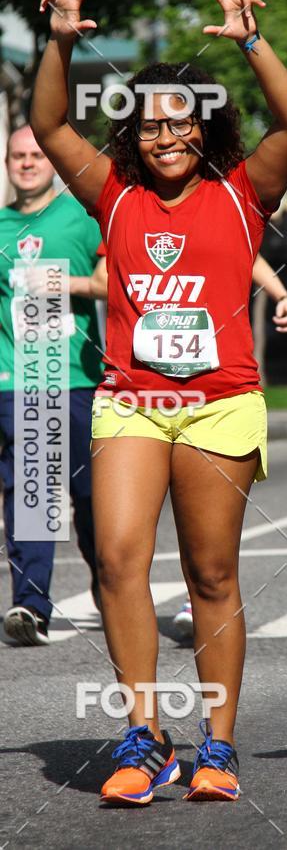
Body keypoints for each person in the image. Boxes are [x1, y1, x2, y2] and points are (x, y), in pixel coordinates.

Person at [33, 0, 287, 804]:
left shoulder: (242, 192)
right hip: (132, 402)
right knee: (117, 560)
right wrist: (58, 46)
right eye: (150, 126)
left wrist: (254, 42)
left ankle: (216, 748)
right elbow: (48, 127)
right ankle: (143, 738)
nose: (165, 138)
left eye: (181, 124)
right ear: (133, 134)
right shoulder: (112, 194)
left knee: (211, 575)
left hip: (222, 406)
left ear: (205, 127)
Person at [0, 125, 107, 646]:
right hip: (19, 380)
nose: (26, 163)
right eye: (17, 156)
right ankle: (30, 607)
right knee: (32, 494)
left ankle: (111, 589)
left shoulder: (84, 217)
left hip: (80, 379)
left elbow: (115, 282)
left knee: (93, 502)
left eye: (36, 155)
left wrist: (65, 282)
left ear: (53, 163)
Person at [173, 259, 287, 640]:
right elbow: (105, 277)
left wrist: (283, 295)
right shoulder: (127, 206)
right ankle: (89, 588)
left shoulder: (224, 207)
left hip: (216, 391)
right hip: (102, 383)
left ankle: (195, 595)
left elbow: (249, 251)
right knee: (96, 525)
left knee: (199, 518)